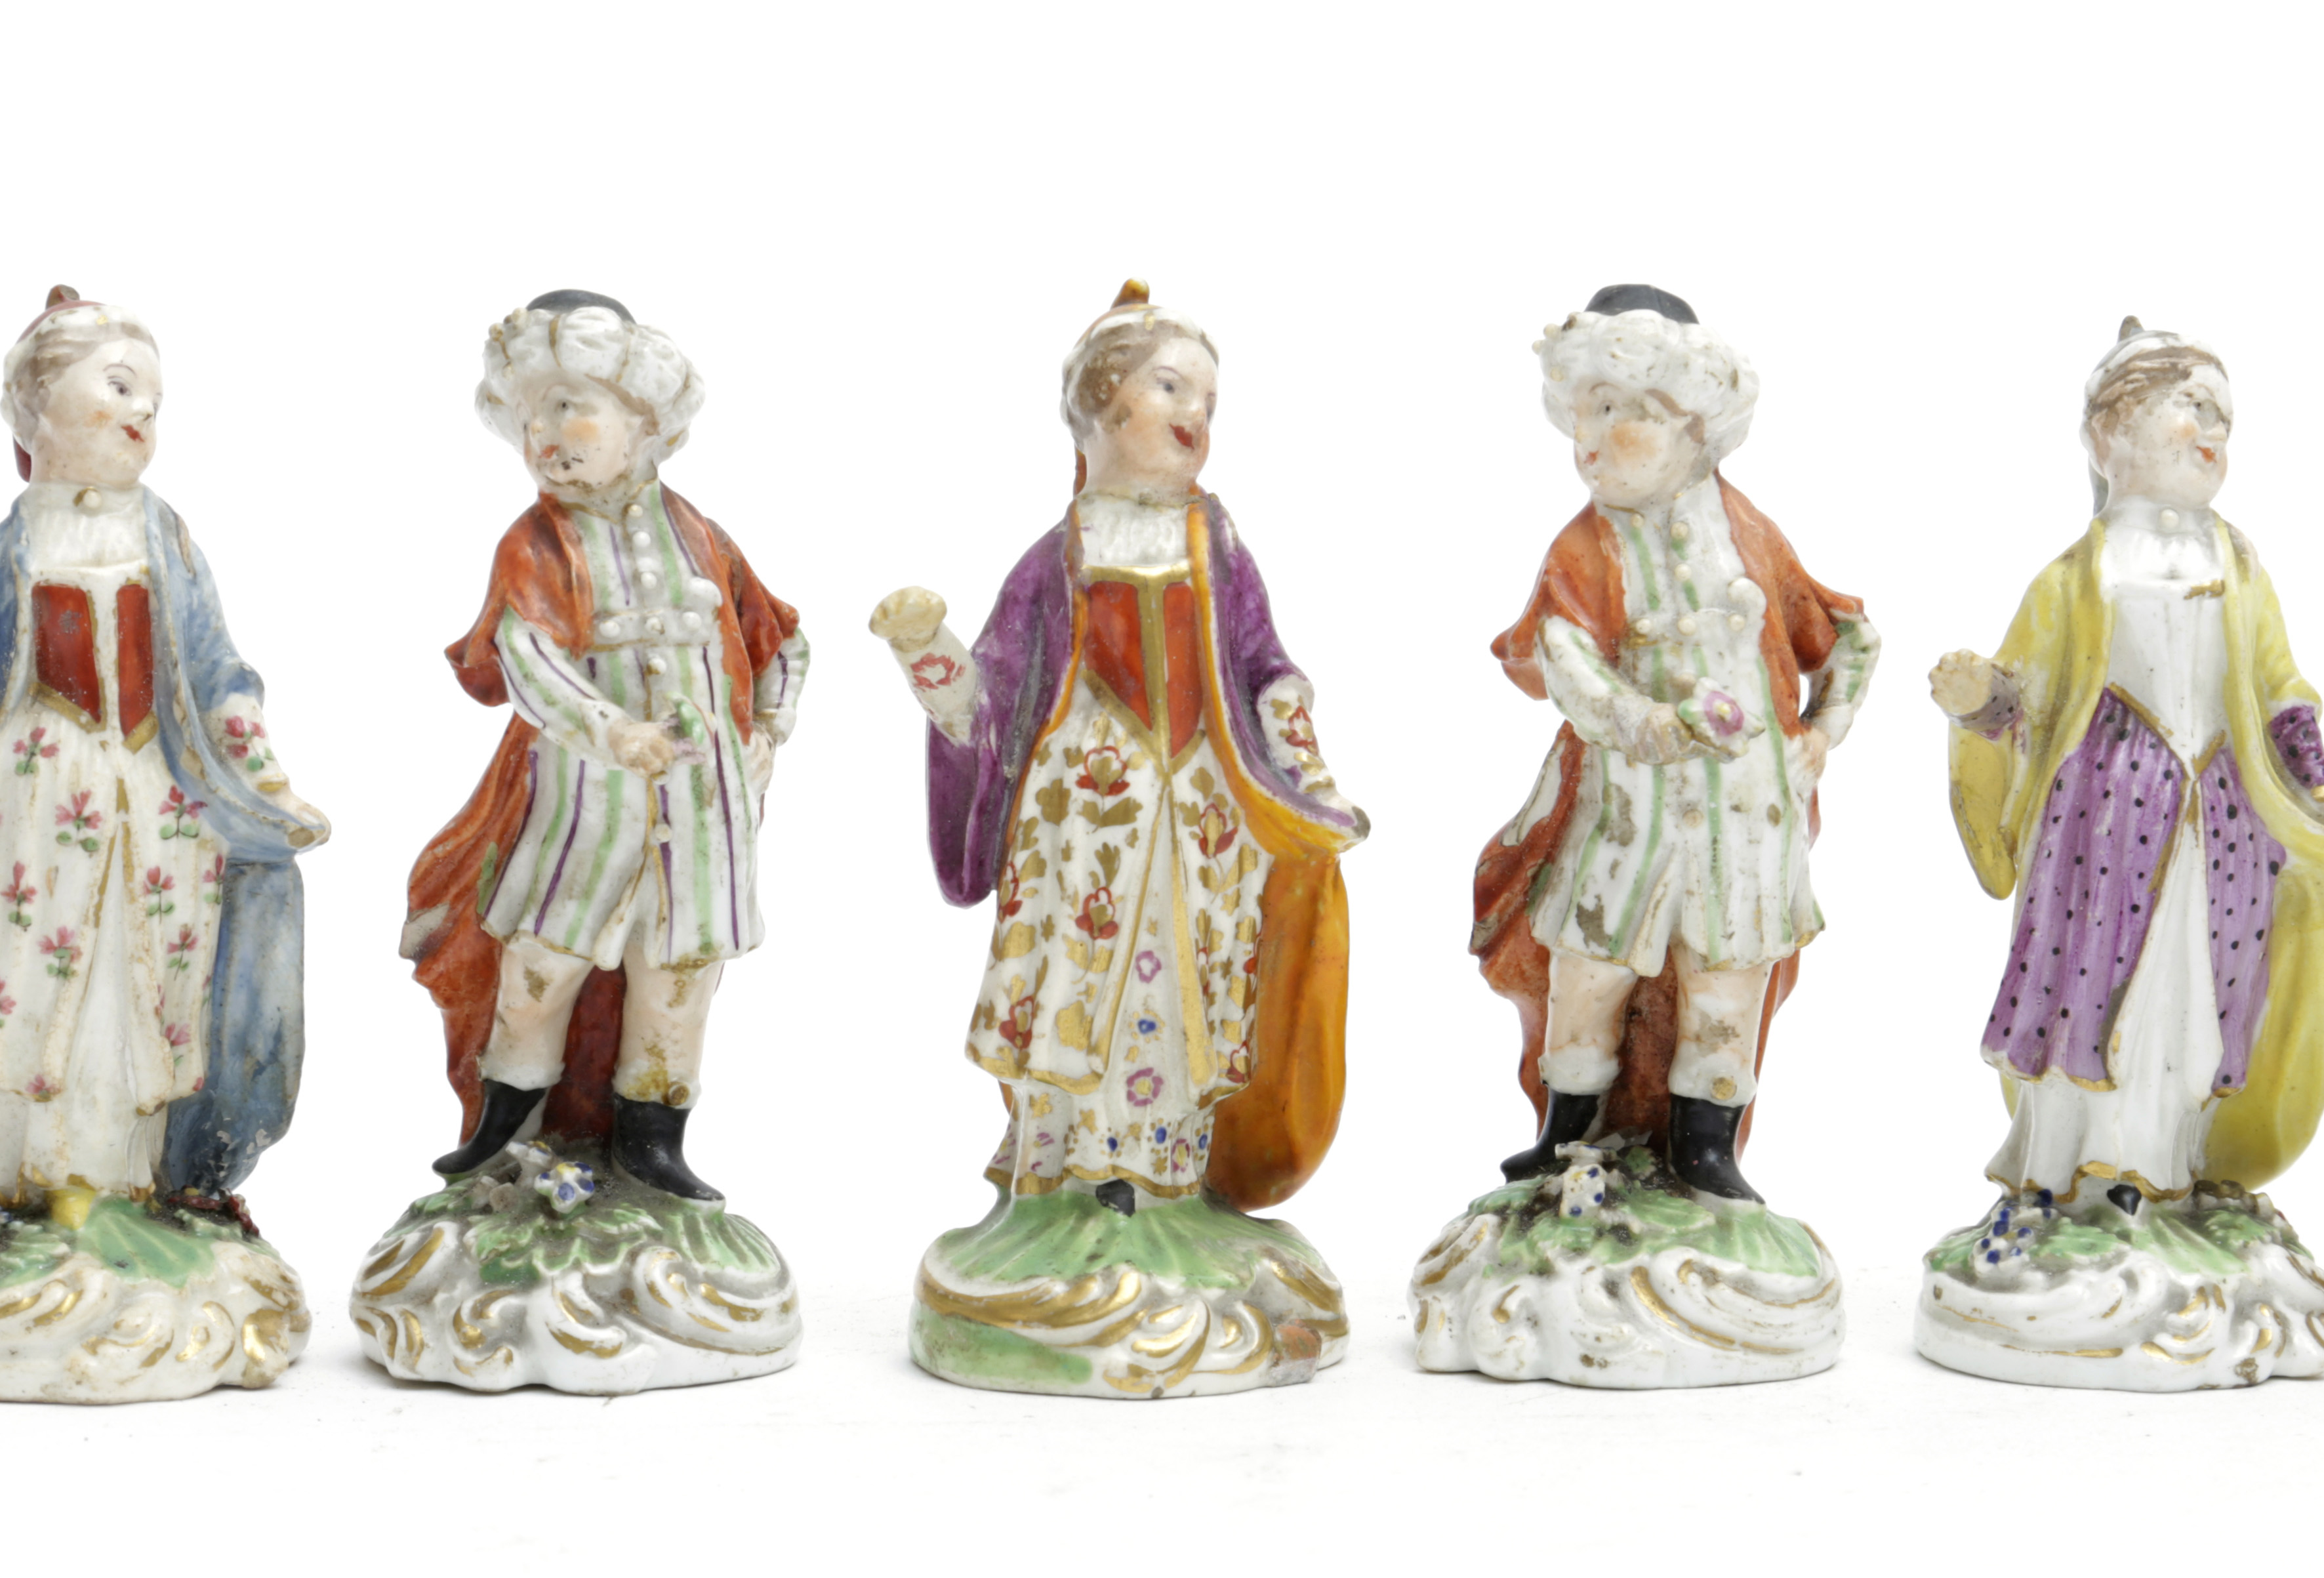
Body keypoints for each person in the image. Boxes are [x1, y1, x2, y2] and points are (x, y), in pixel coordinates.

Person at [870, 281, 1362, 1217]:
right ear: (1101, 401)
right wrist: (923, 649)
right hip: (1084, 813)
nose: (1196, 415)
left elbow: (1266, 666)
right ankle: (1074, 1165)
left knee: (1182, 981)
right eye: (1172, 388)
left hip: (1201, 812)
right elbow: (985, 707)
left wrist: (1307, 771)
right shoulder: (1058, 555)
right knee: (1083, 969)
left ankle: (1164, 1172)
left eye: (1209, 401)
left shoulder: (1216, 542)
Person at [0, 286, 329, 1230]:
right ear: (36, 406)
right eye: (118, 384)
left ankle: (115, 1179)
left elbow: (218, 670)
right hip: (30, 805)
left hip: (153, 803)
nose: (143, 408)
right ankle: (4, 1174)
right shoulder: (1, 555)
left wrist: (259, 775)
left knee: (133, 988)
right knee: (26, 980)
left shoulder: (169, 539)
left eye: (154, 396)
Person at [1930, 319, 2324, 1217]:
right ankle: (2068, 1168)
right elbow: (2022, 698)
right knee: (2092, 981)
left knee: (2197, 988)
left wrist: (2322, 789)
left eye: (2226, 419)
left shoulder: (2238, 563)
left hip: (2221, 810)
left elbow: (2282, 688)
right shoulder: (2075, 575)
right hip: (2104, 807)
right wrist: (1979, 701)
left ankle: (2164, 1166)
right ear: (2111, 433)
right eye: (2194, 407)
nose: (2214, 431)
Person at [1471, 285, 1877, 1204]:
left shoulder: (1751, 537)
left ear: (1695, 424)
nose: (1592, 439)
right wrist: (1649, 723)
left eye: (1624, 412)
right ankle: (1567, 1135)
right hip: (1626, 816)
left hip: (1746, 817)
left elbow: (1849, 638)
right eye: (1585, 412)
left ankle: (1706, 1150)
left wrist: (1823, 734)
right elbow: (1567, 661)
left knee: (1727, 984)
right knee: (1589, 975)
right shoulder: (1583, 548)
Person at [402, 291, 805, 1201]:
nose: (544, 435)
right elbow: (529, 660)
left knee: (679, 976)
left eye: (569, 406)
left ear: (645, 420)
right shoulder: (536, 543)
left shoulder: (702, 537)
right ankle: (508, 1131)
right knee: (542, 964)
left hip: (703, 810)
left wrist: (772, 730)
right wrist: (613, 732)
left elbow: (782, 641)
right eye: (529, 418)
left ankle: (652, 1142)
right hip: (585, 808)